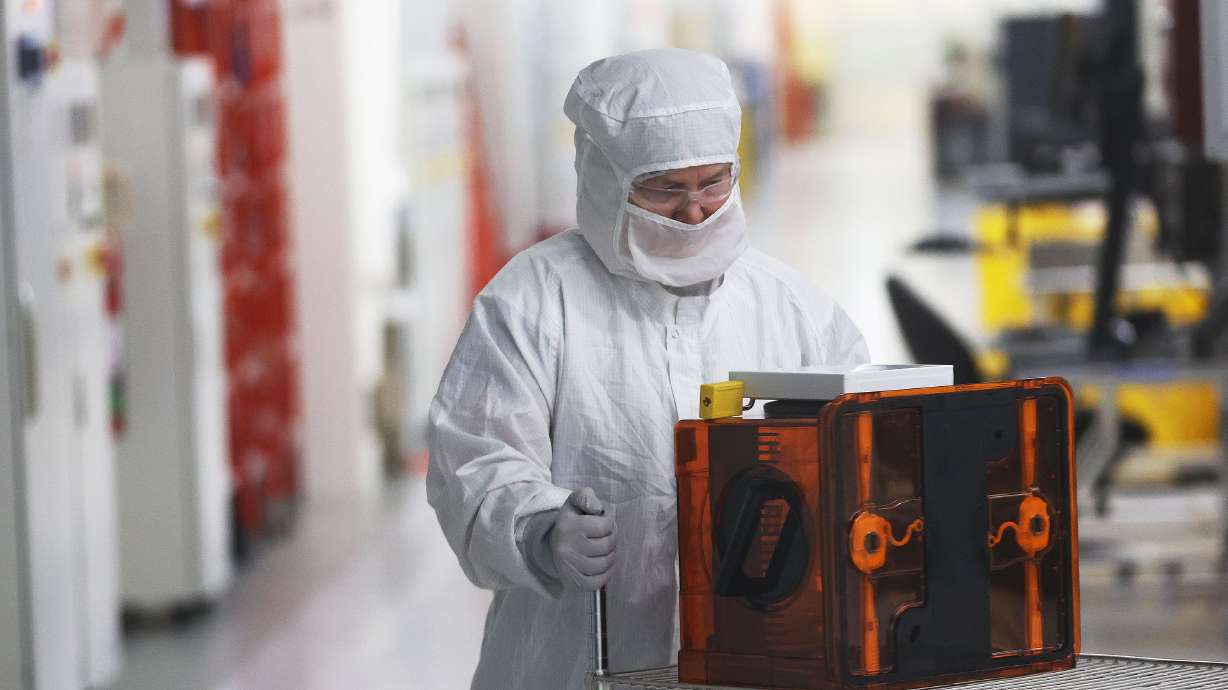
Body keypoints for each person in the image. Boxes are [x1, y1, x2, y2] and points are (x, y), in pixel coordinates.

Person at [427, 47, 869, 690]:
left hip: (761, 656)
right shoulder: (532, 300)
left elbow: (864, 443)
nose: (695, 211)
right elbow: (474, 459)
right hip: (574, 660)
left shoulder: (791, 306)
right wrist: (541, 526)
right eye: (666, 190)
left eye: (714, 183)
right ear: (606, 179)